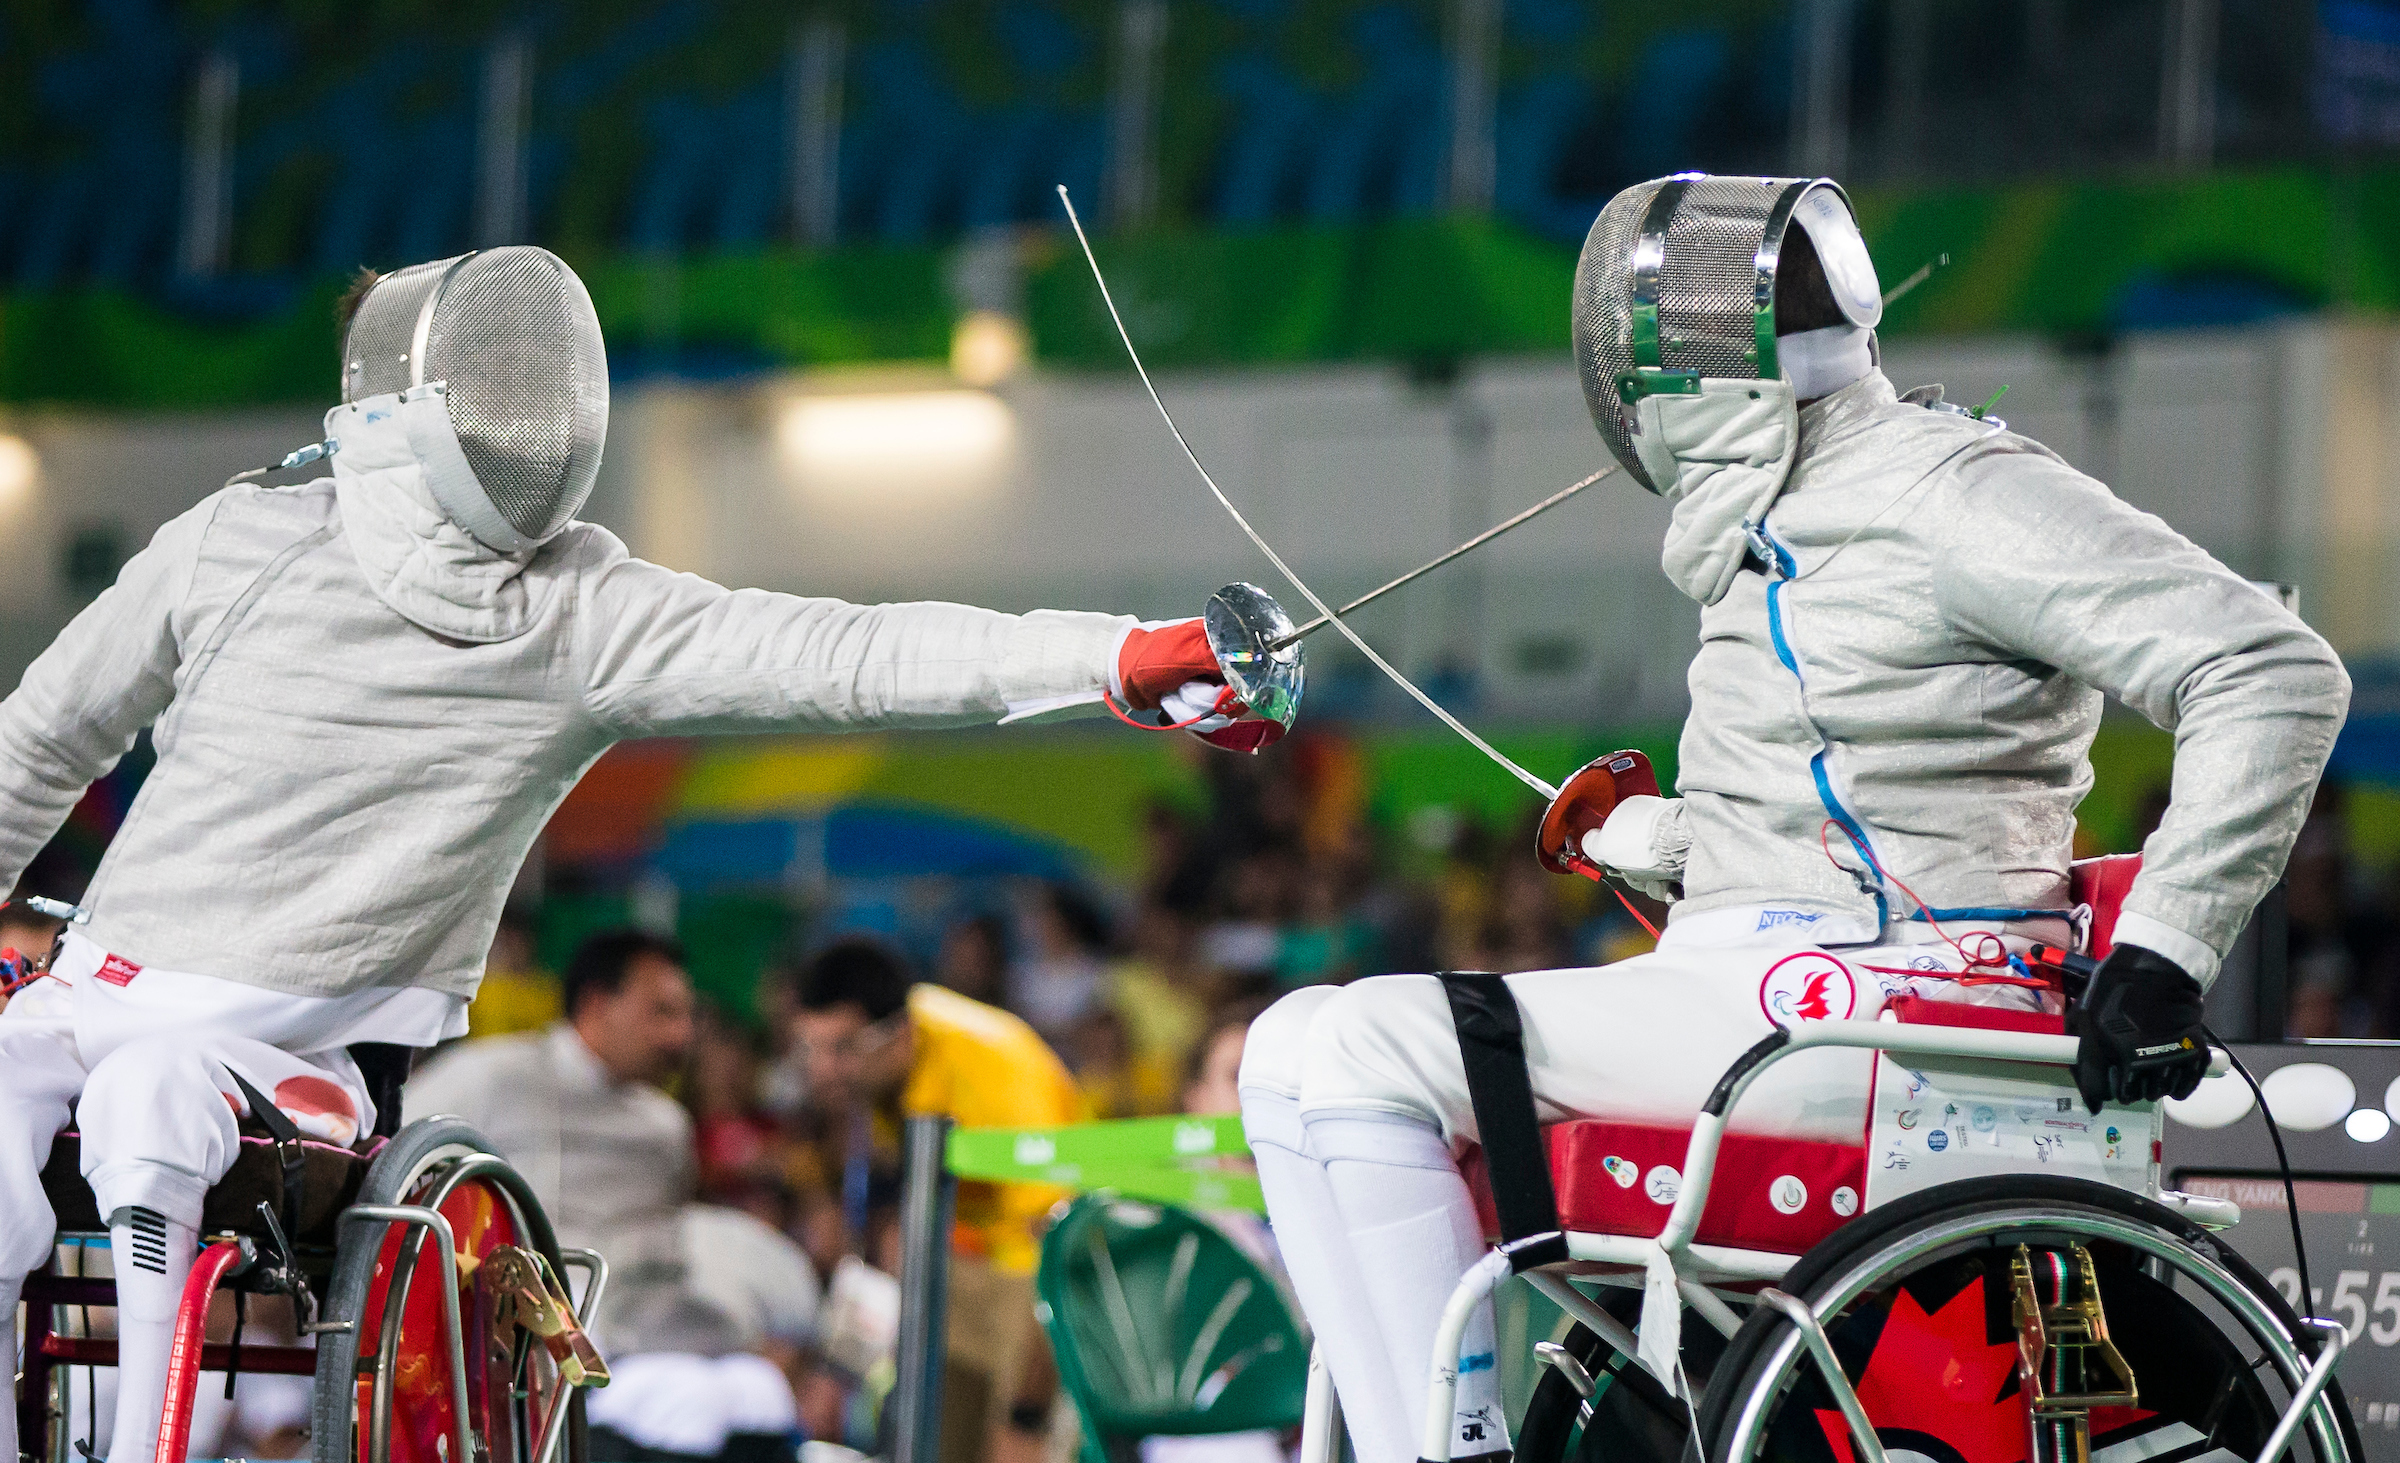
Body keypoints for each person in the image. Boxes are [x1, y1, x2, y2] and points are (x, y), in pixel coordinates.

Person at [0, 243, 1275, 1463]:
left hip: (290, 1065)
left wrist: (1112, 654)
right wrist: (1120, 656)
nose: (537, 431)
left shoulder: (577, 615)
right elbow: (33, 747)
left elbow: (846, 653)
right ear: (404, 405)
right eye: (501, 396)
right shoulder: (233, 542)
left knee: (149, 1092)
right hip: (90, 988)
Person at [1238, 174, 2352, 1463]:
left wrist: (2166, 946)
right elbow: (1848, 798)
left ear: (1690, 371)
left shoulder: (1953, 490)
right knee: (1292, 1044)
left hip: (1904, 1006)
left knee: (1366, 1044)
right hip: (1769, 976)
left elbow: (2269, 669)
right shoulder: (1771, 518)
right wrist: (1662, 841)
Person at [407, 930, 819, 1460]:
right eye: (662, 1013)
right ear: (598, 1006)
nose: (681, 1035)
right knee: (687, 1405)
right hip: (543, 1345)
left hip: (650, 1326)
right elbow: (401, 1162)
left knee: (758, 1391)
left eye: (686, 1015)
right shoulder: (490, 1079)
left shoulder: (666, 1126)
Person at [791, 937, 1081, 1463]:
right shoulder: (876, 1076)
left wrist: (1027, 1412)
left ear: (897, 1036)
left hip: (1030, 1270)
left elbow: (1058, 1240)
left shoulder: (997, 1068)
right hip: (955, 1258)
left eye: (842, 1048)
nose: (824, 1069)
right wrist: (839, 1370)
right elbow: (879, 1232)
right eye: (810, 1048)